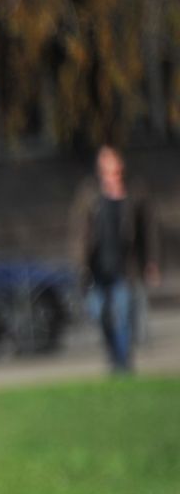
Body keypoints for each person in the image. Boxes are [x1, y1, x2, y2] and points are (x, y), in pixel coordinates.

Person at [70, 145, 161, 375]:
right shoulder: (90, 194)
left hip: (124, 268)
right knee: (99, 314)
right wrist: (79, 264)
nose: (110, 169)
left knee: (122, 315)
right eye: (105, 164)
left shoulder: (134, 192)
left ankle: (122, 365)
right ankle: (114, 356)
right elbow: (79, 232)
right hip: (97, 268)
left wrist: (151, 262)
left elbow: (149, 230)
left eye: (113, 163)